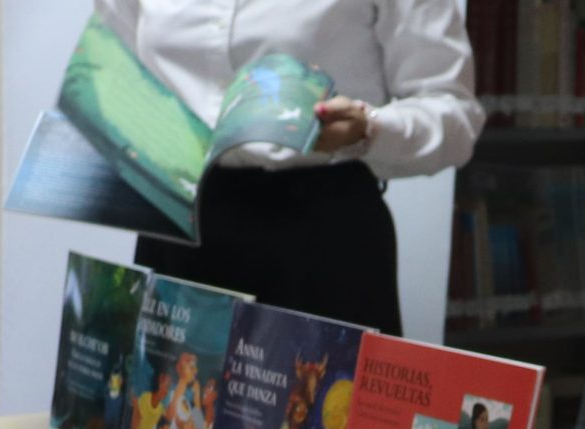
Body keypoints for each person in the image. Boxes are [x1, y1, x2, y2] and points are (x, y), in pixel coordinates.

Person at [112, 0, 481, 334]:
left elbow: (454, 113)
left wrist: (369, 129)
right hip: (175, 222)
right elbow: (112, 68)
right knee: (169, 385)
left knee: (320, 388)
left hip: (319, 234)